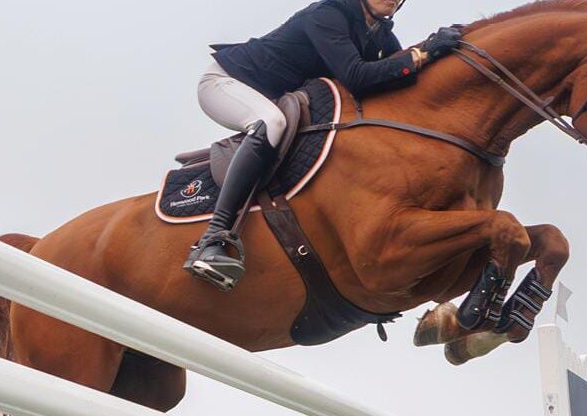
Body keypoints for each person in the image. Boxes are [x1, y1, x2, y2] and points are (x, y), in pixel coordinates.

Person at [185, 0, 462, 290]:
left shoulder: (379, 35)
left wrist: (436, 53)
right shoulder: (327, 15)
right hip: (225, 83)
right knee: (271, 123)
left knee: (280, 121)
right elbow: (357, 77)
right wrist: (425, 52)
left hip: (268, 96)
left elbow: (398, 76)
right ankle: (213, 238)